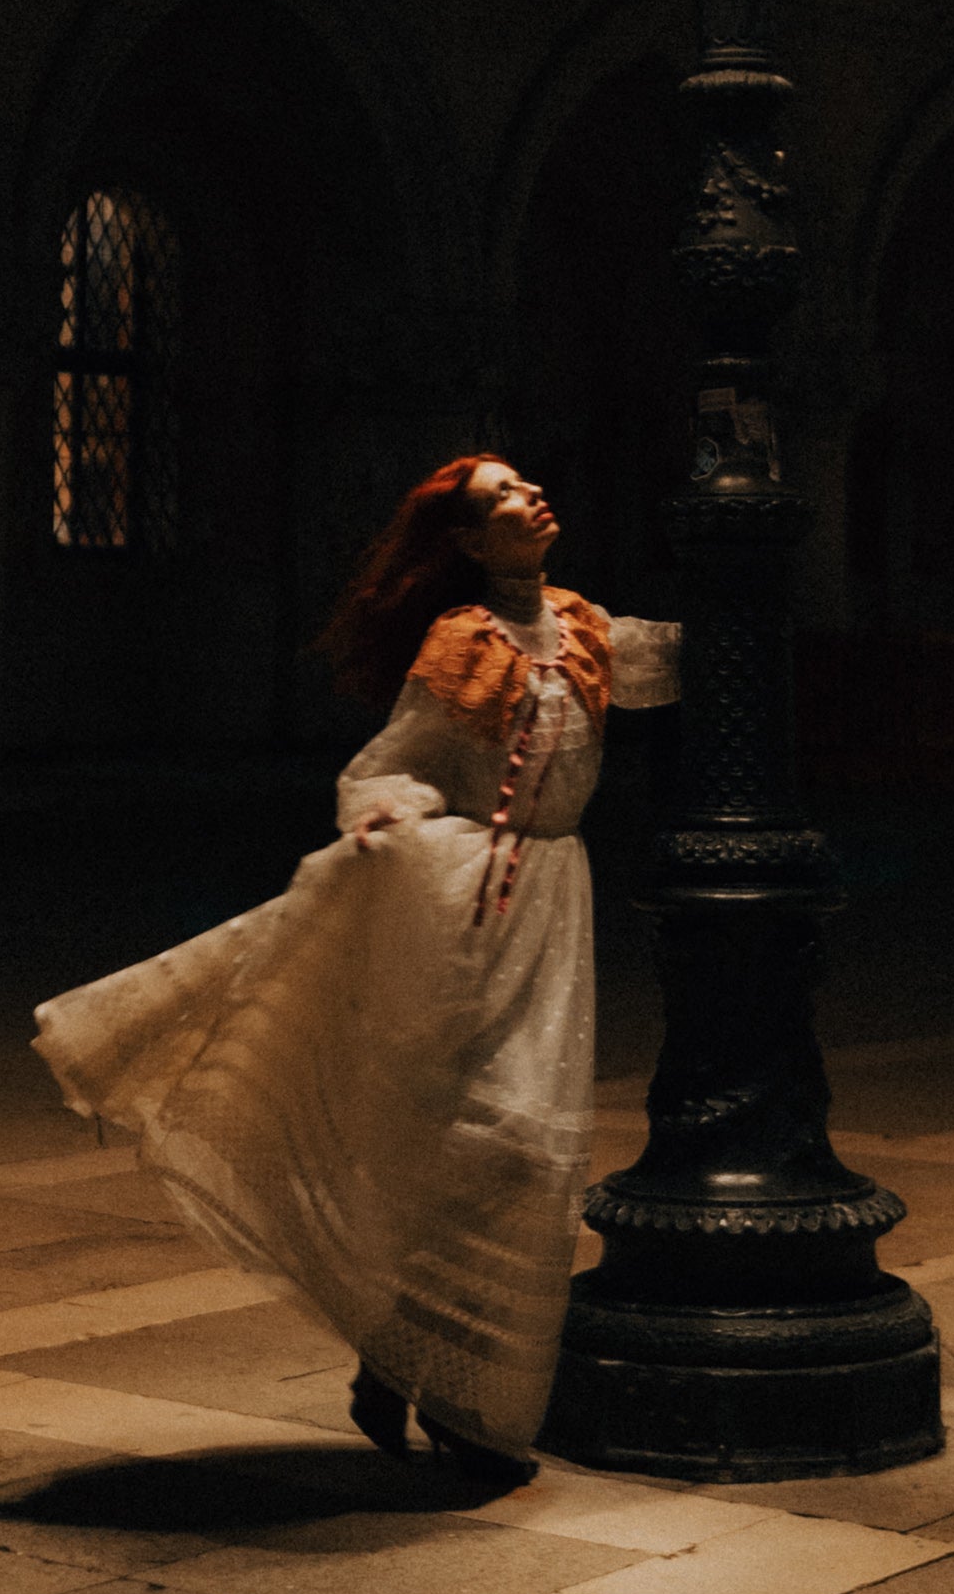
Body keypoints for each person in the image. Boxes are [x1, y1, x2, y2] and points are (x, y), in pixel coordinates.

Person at [33, 454, 679, 1477]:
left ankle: (430, 1370)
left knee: (521, 1148)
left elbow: (682, 660)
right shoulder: (463, 639)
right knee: (474, 1138)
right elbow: (394, 762)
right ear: (468, 540)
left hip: (552, 903)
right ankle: (447, 1391)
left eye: (529, 485)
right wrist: (387, 817)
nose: (532, 497)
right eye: (503, 497)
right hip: (461, 900)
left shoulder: (586, 625)